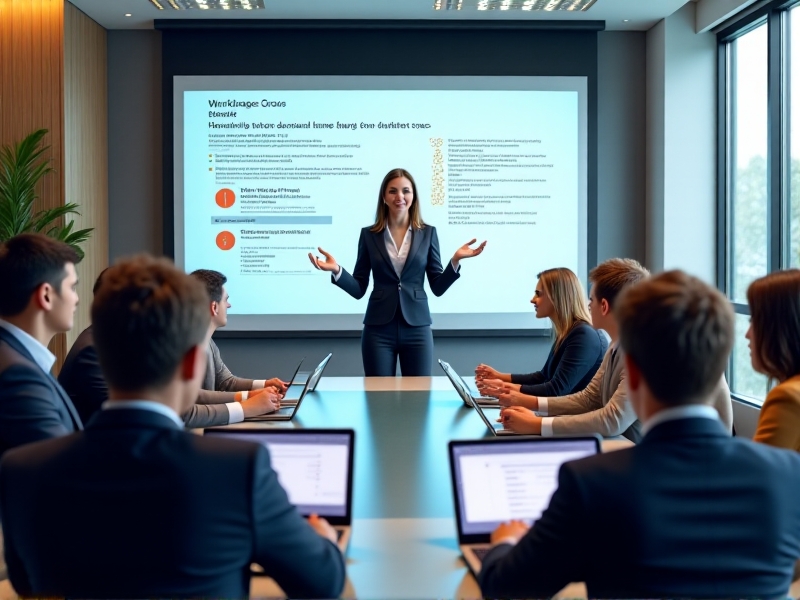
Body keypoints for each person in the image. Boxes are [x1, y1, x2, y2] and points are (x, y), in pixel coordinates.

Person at [0, 255, 346, 598]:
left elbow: (29, 585)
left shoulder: (24, 469)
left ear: (103, 354)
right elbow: (322, 583)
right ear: (193, 363)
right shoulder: (239, 469)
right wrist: (323, 540)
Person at [479, 270, 800, 598]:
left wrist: (507, 539)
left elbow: (506, 587)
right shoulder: (790, 476)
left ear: (631, 377)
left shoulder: (591, 484)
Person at [498, 258, 733, 440]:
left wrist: (537, 424)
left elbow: (613, 420)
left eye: (591, 299)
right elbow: (590, 398)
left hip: (686, 465)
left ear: (604, 305)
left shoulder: (648, 348)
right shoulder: (618, 343)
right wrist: (530, 404)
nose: (587, 305)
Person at [308, 168, 485, 376]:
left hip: (417, 329)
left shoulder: (428, 233)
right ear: (384, 196)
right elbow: (358, 288)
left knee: (419, 399)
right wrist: (337, 270)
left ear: (413, 196)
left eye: (405, 191)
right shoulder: (369, 235)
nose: (399, 196)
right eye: (393, 191)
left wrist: (455, 261)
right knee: (379, 399)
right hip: (378, 331)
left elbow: (437, 286)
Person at [59, 270, 280, 428]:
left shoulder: (118, 343)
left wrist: (247, 398)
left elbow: (183, 397)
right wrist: (247, 408)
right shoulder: (95, 352)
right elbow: (174, 412)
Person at [0, 233, 83, 457]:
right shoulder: (17, 376)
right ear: (46, 295)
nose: (76, 299)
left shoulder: (16, 356)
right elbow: (63, 467)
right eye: (72, 287)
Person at [474, 267, 607, 398]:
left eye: (538, 294)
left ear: (557, 297)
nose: (533, 300)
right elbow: (544, 377)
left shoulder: (584, 335)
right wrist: (499, 377)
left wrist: (503, 388)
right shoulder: (570, 332)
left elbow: (556, 390)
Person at [746, 269, 800, 451]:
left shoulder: (788, 398)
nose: (747, 335)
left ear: (779, 328)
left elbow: (756, 476)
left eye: (753, 321)